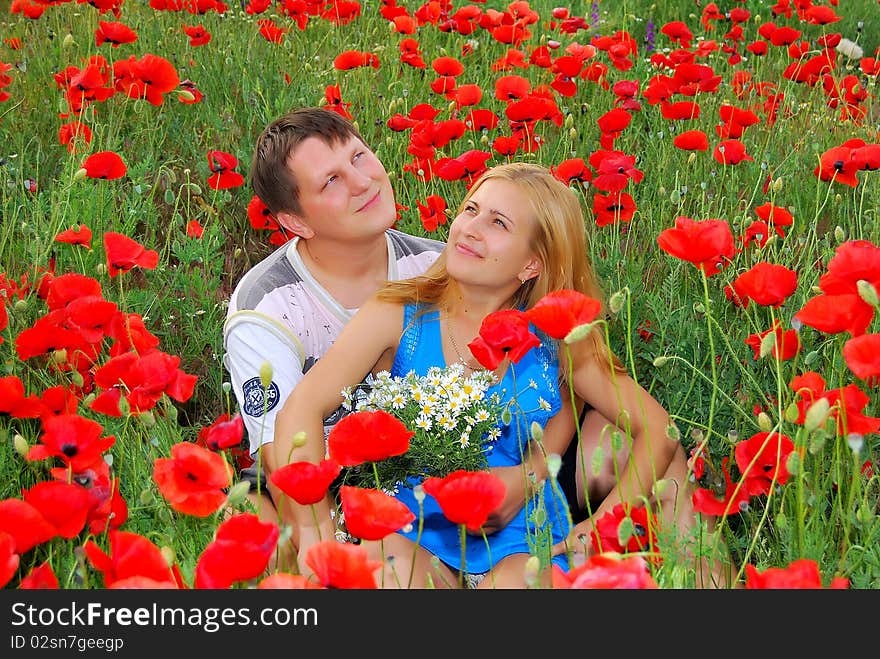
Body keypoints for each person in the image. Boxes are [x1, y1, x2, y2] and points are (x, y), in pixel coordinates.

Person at [273, 162, 726, 588]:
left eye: (499, 223)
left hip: (519, 538)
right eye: (471, 209)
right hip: (413, 526)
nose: (470, 226)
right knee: (387, 572)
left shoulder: (557, 337)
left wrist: (600, 526)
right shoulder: (398, 313)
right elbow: (303, 408)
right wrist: (315, 529)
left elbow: (659, 429)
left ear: (531, 264)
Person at [222, 108, 444, 565]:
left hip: (415, 464)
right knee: (253, 534)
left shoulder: (437, 268)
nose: (363, 182)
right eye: (331, 181)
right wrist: (324, 544)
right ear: (297, 223)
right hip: (307, 472)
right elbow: (283, 454)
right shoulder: (268, 301)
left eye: (359, 157)